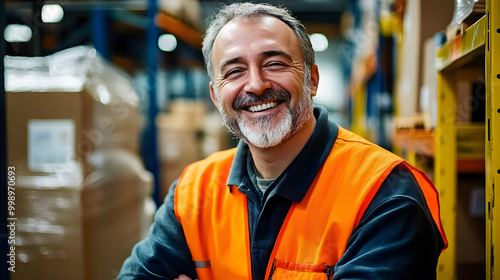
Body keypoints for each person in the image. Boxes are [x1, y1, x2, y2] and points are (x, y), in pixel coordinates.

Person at [117, 3, 447, 280]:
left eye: (274, 63)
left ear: (312, 80)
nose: (256, 85)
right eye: (234, 72)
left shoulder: (385, 192)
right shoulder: (194, 191)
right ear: (216, 97)